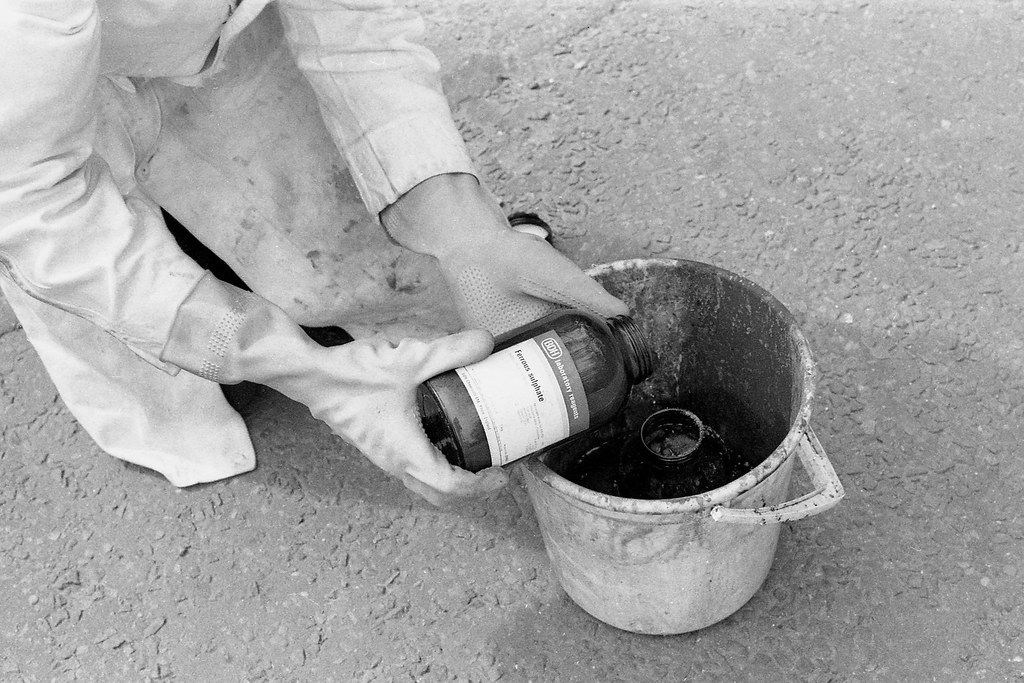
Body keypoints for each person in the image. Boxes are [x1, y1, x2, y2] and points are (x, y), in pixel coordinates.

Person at [0, 0, 628, 505]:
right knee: (142, 332)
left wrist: (463, 229)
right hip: (24, 118)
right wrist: (310, 375)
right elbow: (29, 203)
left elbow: (356, 17)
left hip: (219, 27)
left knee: (382, 274)